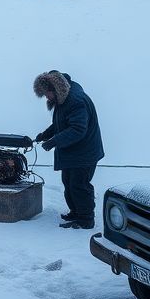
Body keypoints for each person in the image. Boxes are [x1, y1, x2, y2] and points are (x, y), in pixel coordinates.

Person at [33, 70, 104, 229]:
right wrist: (46, 134)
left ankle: (86, 219)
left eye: (47, 94)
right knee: (68, 182)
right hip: (73, 152)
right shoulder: (62, 99)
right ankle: (76, 212)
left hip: (84, 152)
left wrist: (54, 142)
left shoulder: (75, 101)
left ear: (55, 88)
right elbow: (62, 123)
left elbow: (78, 129)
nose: (47, 97)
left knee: (79, 185)